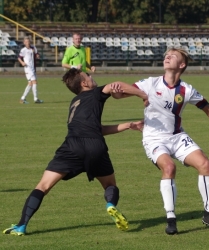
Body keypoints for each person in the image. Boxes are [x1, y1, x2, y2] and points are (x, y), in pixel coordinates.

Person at [3, 68, 147, 236]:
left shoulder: (74, 103)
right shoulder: (95, 93)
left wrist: (128, 125)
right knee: (109, 185)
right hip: (95, 146)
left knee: (43, 186)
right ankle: (110, 205)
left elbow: (95, 128)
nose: (92, 77)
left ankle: (21, 225)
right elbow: (116, 85)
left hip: (72, 146)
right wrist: (143, 95)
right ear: (84, 83)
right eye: (88, 76)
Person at [133, 47, 209, 235]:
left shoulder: (186, 90)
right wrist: (116, 90)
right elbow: (124, 91)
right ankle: (171, 218)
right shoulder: (151, 83)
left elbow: (208, 109)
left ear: (181, 65)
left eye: (173, 56)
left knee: (205, 164)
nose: (167, 57)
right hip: (154, 138)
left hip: (178, 136)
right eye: (166, 55)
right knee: (169, 168)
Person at [18, 37, 43, 104]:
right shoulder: (23, 50)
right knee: (34, 82)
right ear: (24, 43)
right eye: (26, 42)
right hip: (27, 68)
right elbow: (19, 58)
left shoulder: (33, 48)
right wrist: (22, 62)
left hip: (33, 68)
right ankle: (35, 98)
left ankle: (22, 98)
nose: (27, 43)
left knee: (30, 84)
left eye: (28, 41)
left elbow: (37, 54)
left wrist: (37, 55)